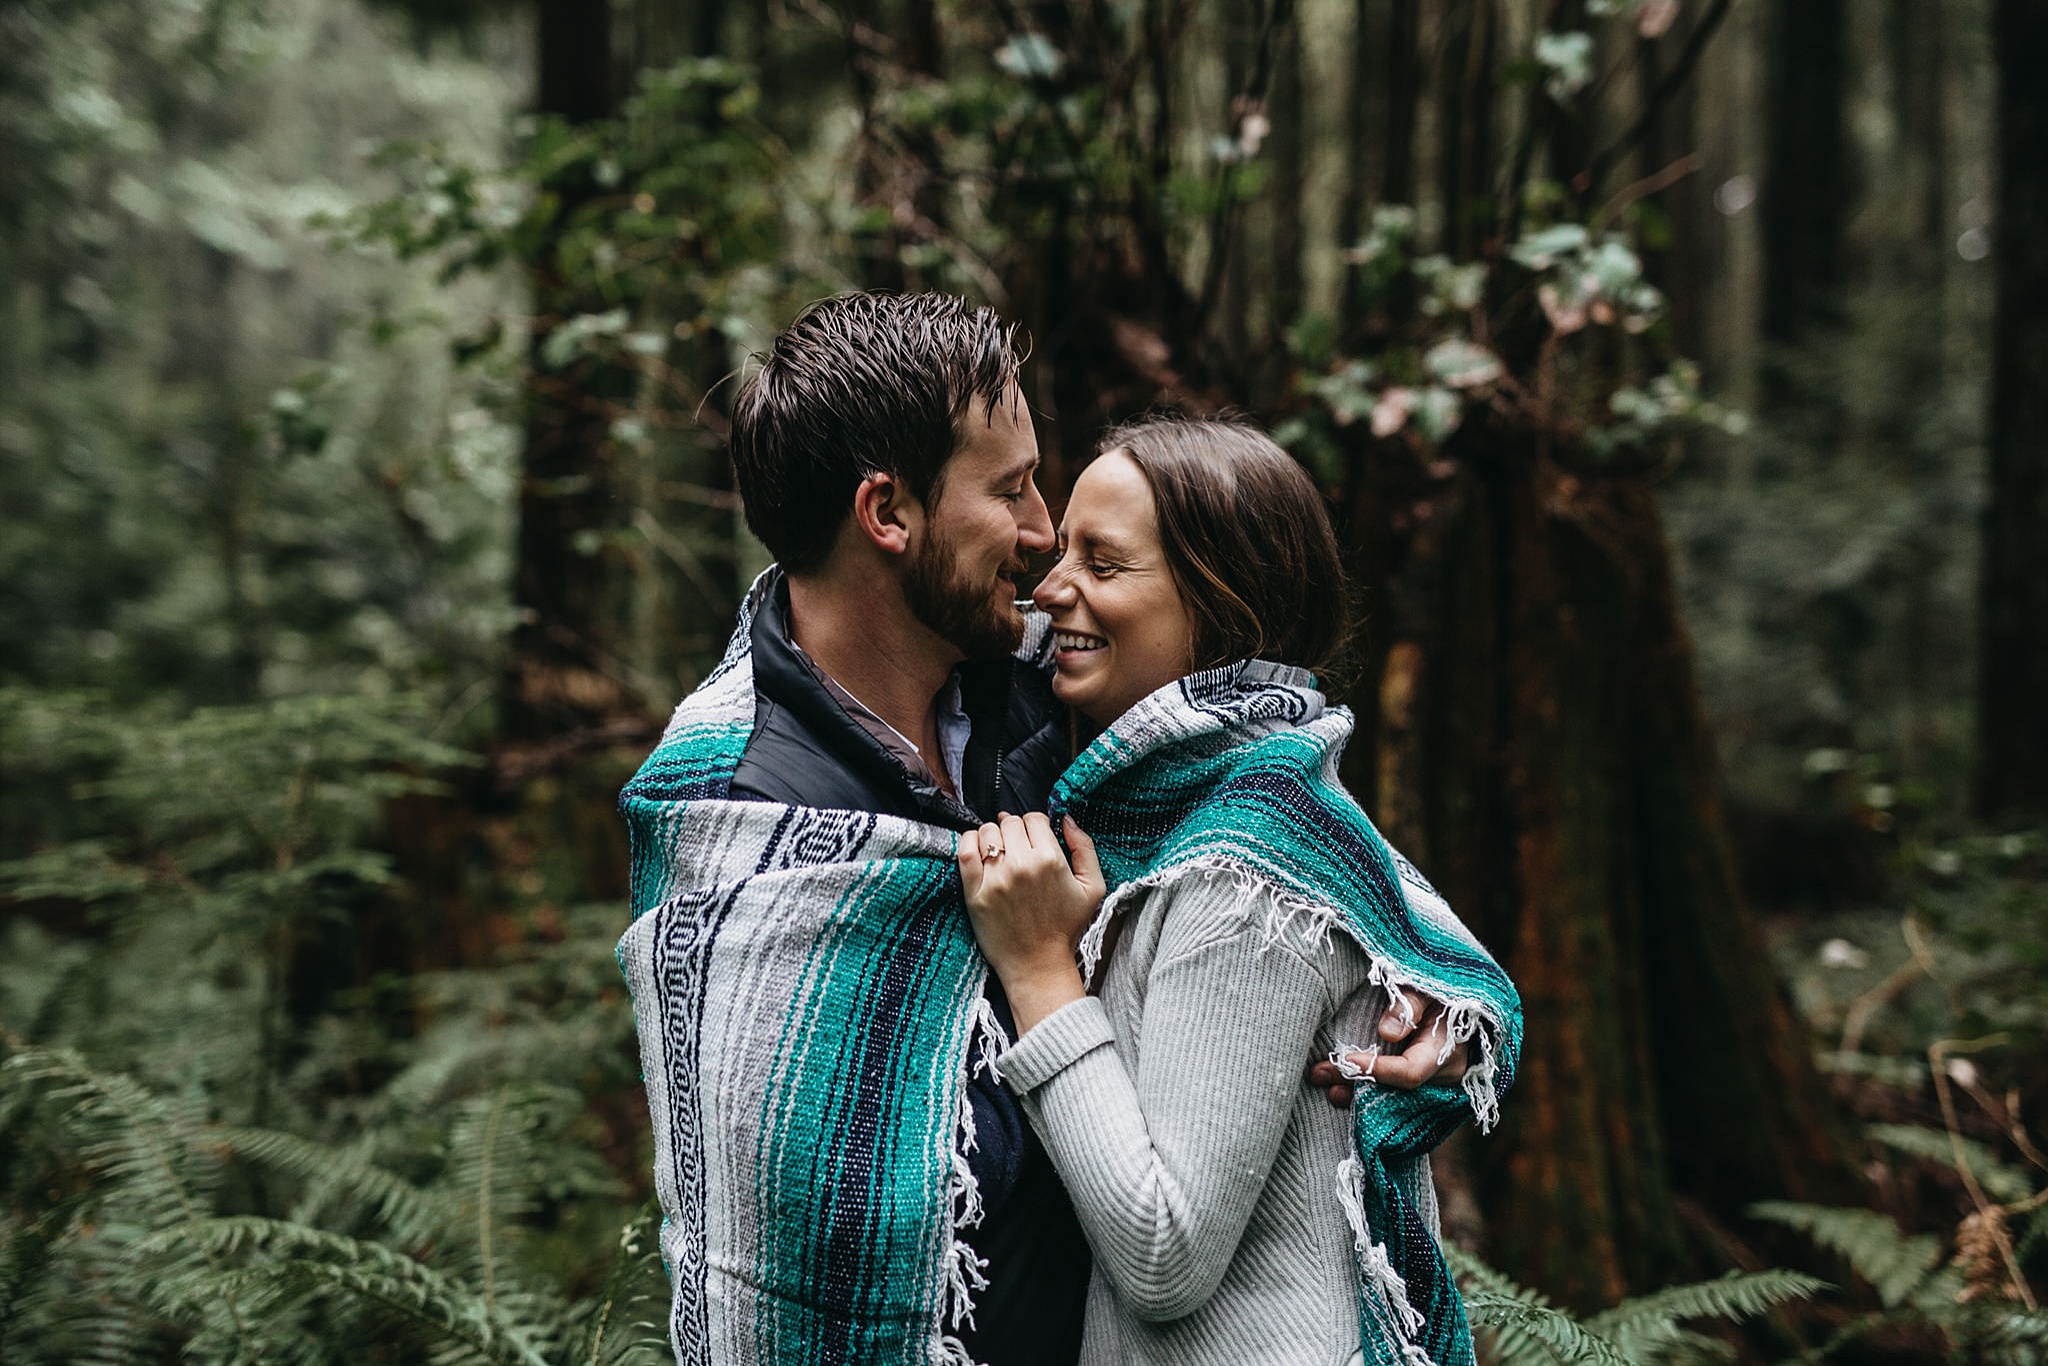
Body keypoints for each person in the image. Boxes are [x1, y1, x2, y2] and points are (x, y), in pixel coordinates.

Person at [618, 294, 1469, 1366]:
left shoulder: (1056, 694)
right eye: (1012, 488)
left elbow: (1276, 805)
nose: (1037, 537)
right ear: (887, 512)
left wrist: (1440, 994)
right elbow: (765, 1243)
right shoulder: (733, 802)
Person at [955, 416, 1524, 1366]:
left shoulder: (1238, 873)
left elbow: (1162, 1251)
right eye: (1060, 555)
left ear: (1217, 602)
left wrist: (1041, 972)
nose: (1050, 593)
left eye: (1103, 562)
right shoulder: (1224, 802)